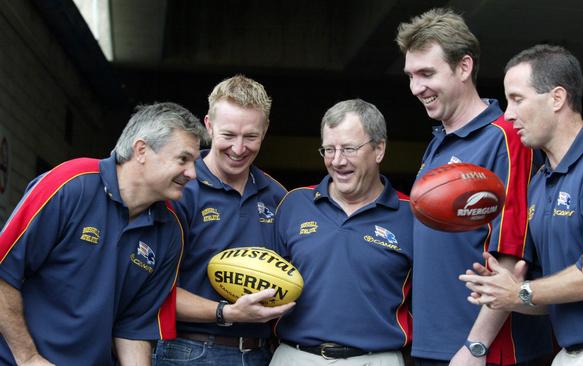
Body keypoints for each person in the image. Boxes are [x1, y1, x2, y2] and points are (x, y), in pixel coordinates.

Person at [459, 44, 583, 366]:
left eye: (517, 99)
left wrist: (521, 292)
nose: (508, 114)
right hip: (568, 354)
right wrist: (503, 291)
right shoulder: (539, 182)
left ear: (557, 98)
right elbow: (547, 297)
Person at [395, 8, 554, 366]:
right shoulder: (438, 142)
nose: (416, 87)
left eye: (427, 73)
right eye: (410, 75)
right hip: (434, 346)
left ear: (464, 67)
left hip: (486, 352)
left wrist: (476, 346)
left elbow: (514, 250)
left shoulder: (506, 136)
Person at [0, 102, 207, 365]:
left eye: (194, 162)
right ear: (141, 150)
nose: (192, 173)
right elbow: (3, 275)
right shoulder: (70, 184)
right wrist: (28, 357)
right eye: (183, 159)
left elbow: (133, 328)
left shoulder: (170, 231)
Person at [153, 75, 293, 366]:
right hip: (188, 351)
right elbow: (150, 289)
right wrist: (226, 312)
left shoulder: (277, 196)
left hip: (260, 353)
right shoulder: (179, 190)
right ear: (209, 125)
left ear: (265, 130)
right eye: (228, 135)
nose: (239, 149)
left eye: (251, 137)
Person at [269, 99, 413, 366]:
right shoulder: (293, 204)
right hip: (294, 356)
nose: (337, 161)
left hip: (376, 360)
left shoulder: (412, 215)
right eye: (328, 149)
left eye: (349, 148)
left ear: (379, 149)